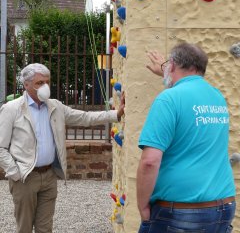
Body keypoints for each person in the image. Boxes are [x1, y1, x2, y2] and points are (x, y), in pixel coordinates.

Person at [0, 63, 125, 233]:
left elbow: (84, 117)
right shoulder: (12, 109)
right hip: (25, 178)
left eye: (46, 82)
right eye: (39, 83)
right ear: (26, 84)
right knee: (24, 227)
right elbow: (1, 148)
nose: (44, 87)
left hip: (49, 176)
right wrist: (15, 172)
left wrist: (115, 114)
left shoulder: (55, 106)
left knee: (45, 228)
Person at [136, 43, 236, 233]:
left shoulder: (168, 99)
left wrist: (142, 206)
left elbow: (150, 161)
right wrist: (167, 71)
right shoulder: (217, 97)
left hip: (181, 211)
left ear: (172, 65)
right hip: (223, 206)